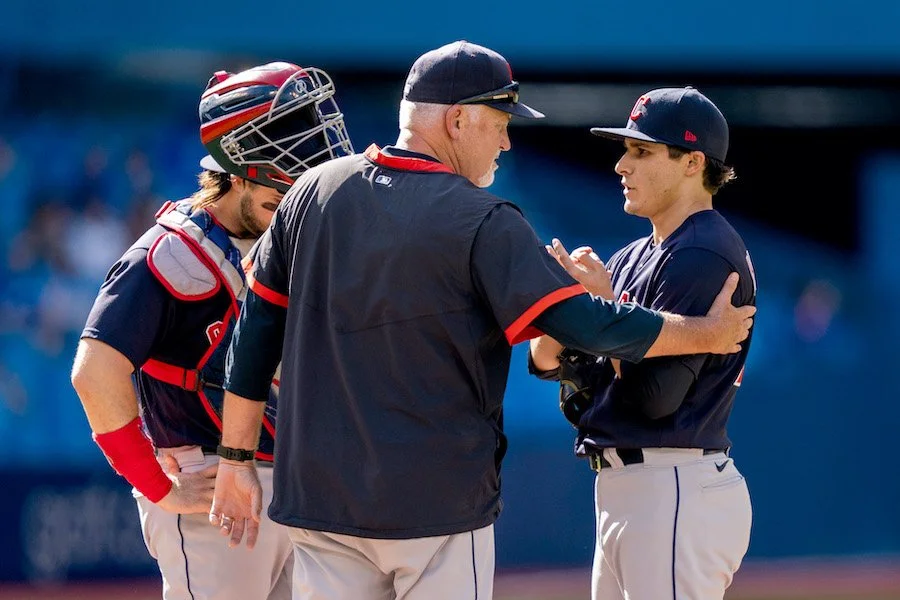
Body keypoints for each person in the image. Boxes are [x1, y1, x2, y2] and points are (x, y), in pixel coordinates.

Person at [208, 42, 755, 600]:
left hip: (322, 503)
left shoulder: (310, 192)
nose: (506, 140)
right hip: (438, 508)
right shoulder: (482, 216)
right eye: (498, 122)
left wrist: (234, 459)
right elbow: (584, 326)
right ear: (457, 119)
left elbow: (252, 337)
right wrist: (704, 333)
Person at [69, 62, 354, 600]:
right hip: (213, 488)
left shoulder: (295, 245)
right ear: (239, 169)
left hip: (301, 486)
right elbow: (94, 371)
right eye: (278, 199)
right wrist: (157, 487)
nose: (289, 210)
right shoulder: (170, 254)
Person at [529, 86, 756, 599]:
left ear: (692, 162)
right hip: (632, 488)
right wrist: (570, 316)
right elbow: (576, 388)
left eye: (642, 150)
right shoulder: (636, 254)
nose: (621, 165)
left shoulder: (703, 252)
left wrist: (603, 312)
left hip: (674, 483)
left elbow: (652, 401)